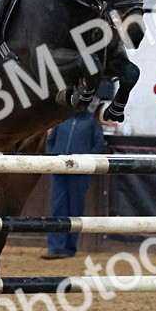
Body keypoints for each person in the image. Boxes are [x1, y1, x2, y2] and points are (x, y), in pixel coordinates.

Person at [42, 108, 106, 259]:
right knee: (57, 207)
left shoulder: (92, 122)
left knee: (74, 209)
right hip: (59, 170)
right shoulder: (62, 119)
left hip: (79, 173)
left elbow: (98, 145)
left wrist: (85, 162)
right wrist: (54, 158)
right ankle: (55, 247)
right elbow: (50, 141)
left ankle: (69, 248)